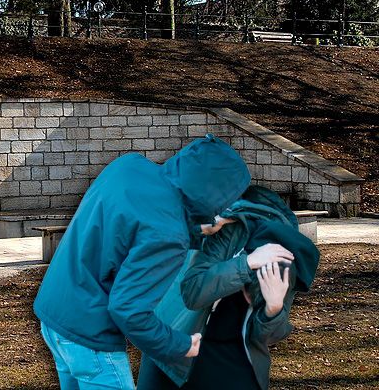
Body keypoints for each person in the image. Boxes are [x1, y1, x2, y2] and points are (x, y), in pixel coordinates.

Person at [34, 134, 252, 390]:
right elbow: (129, 311)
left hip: (54, 316)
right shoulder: (169, 234)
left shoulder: (128, 165)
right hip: (89, 335)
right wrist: (182, 346)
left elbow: (139, 226)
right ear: (219, 193)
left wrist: (198, 230)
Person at [136, 185, 320, 390]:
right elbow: (194, 293)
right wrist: (247, 263)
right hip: (173, 345)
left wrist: (273, 309)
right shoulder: (218, 230)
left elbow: (267, 336)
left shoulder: (283, 259)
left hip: (232, 363)